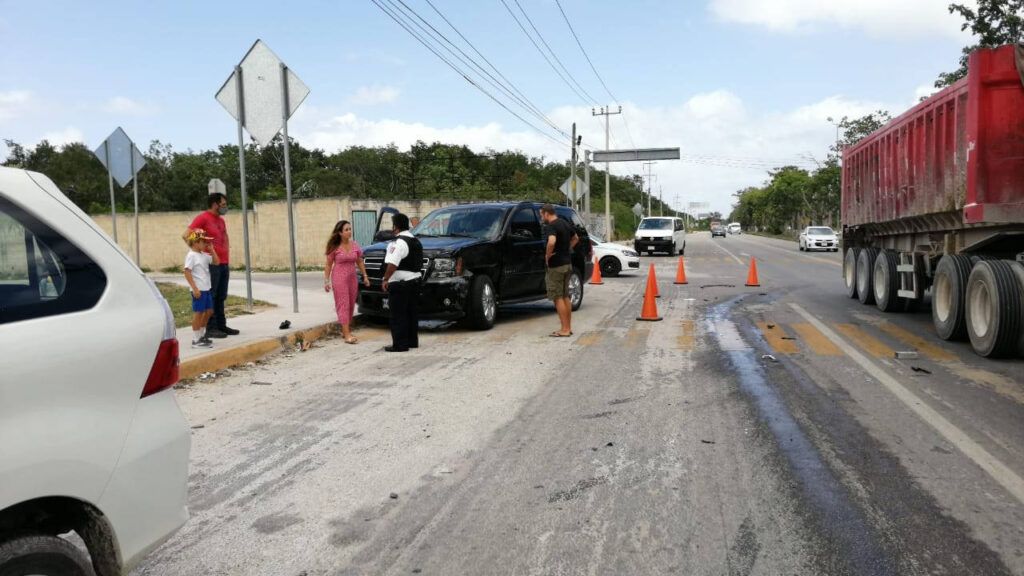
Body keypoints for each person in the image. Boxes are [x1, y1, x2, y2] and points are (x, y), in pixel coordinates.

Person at [183, 192, 238, 339]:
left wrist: (226, 249)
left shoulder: (220, 220)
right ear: (215, 204)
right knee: (211, 295)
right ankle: (211, 328)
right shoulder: (203, 218)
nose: (225, 207)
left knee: (221, 296)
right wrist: (197, 253)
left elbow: (224, 235)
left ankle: (221, 325)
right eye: (223, 204)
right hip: (211, 265)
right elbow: (186, 234)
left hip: (222, 261)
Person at [380, 213, 422, 352]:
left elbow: (392, 264)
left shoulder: (399, 242)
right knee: (411, 313)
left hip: (400, 284)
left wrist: (386, 279)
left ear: (395, 227)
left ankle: (400, 344)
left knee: (398, 315)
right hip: (415, 281)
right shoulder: (415, 240)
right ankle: (412, 341)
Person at [324, 220, 370, 344]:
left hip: (352, 278)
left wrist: (365, 276)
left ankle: (345, 330)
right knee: (343, 304)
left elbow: (359, 261)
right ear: (340, 233)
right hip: (339, 278)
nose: (349, 232)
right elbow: (328, 265)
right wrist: (326, 281)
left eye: (350, 229)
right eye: (346, 230)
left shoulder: (354, 245)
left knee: (350, 304)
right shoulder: (334, 247)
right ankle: (347, 334)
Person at [540, 203, 578, 337]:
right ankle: (568, 327)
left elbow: (551, 241)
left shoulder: (551, 226)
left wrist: (548, 255)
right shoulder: (564, 222)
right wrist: (566, 249)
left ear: (546, 213)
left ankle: (564, 330)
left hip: (556, 266)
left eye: (541, 215)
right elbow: (576, 238)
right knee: (565, 296)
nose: (542, 217)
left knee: (557, 297)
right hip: (567, 264)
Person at [183, 229, 218, 349]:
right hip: (199, 290)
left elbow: (216, 262)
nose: (205, 244)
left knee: (209, 312)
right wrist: (194, 288)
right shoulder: (191, 256)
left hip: (206, 288)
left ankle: (202, 335)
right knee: (199, 313)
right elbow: (187, 272)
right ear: (196, 242)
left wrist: (212, 250)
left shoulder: (203, 255)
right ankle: (196, 339)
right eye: (203, 242)